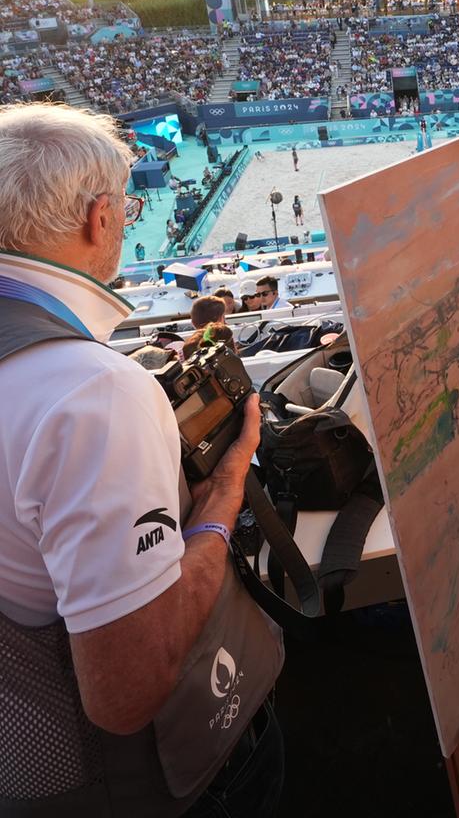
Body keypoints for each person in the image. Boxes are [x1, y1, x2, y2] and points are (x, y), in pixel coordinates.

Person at [0, 104, 284, 815]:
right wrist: (223, 492)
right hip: (143, 784)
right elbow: (128, 692)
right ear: (101, 218)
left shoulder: (73, 381)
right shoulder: (91, 394)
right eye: (128, 206)